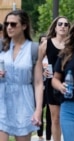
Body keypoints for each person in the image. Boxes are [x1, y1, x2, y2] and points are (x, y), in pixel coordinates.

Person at [0, 9, 43, 141]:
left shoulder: (34, 49)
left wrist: (38, 110)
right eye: (7, 24)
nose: (9, 27)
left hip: (24, 100)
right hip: (2, 98)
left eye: (13, 24)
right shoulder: (1, 46)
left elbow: (38, 82)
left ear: (24, 26)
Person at [38, 16, 70, 141]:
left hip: (70, 83)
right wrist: (42, 71)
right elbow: (37, 62)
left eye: (65, 24)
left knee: (68, 118)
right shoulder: (47, 43)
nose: (62, 26)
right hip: (52, 83)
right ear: (55, 27)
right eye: (60, 24)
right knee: (55, 118)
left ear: (68, 28)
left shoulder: (72, 44)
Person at [37, 34, 52, 141]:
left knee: (50, 113)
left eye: (46, 41)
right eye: (42, 42)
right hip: (40, 87)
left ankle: (48, 136)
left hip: (50, 86)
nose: (44, 44)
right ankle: (39, 133)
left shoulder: (52, 55)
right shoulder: (38, 57)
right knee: (40, 110)